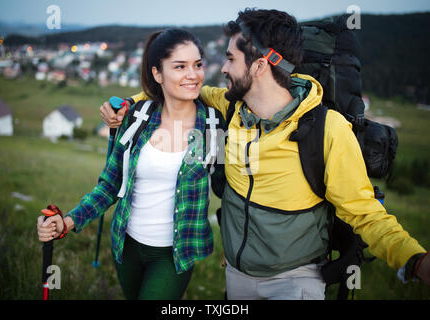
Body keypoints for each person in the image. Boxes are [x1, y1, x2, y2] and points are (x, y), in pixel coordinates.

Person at [100, 9, 430, 300]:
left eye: (230, 59)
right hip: (237, 276)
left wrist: (415, 260)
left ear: (260, 64)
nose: (223, 68)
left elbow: (366, 213)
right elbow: (179, 87)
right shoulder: (230, 105)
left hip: (296, 281)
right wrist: (127, 105)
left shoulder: (327, 131)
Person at [37, 28, 226, 300]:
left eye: (197, 65)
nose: (193, 75)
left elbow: (227, 190)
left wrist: (236, 248)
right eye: (180, 66)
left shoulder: (213, 125)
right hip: (126, 247)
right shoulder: (136, 118)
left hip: (175, 253)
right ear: (157, 74)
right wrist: (67, 222)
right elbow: (110, 185)